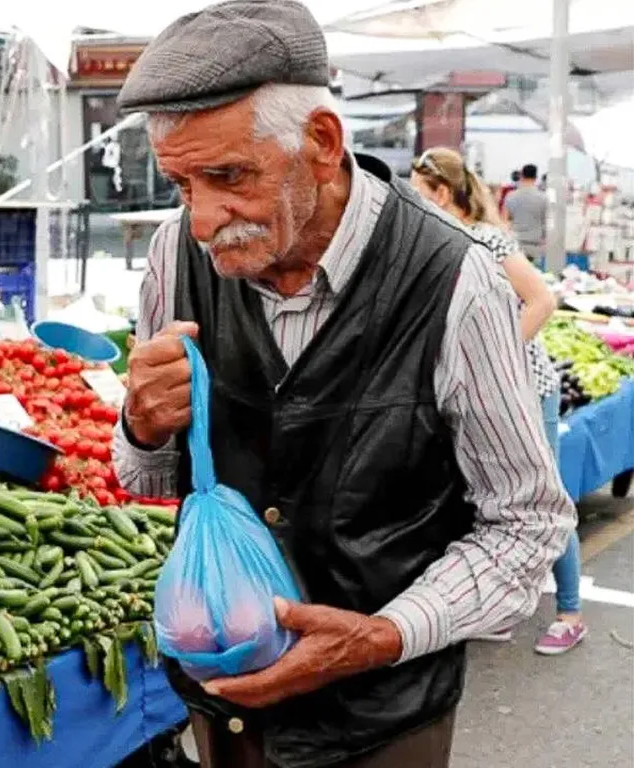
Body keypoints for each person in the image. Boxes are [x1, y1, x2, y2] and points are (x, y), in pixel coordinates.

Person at [112, 2, 574, 766]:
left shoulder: (454, 282)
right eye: (181, 184)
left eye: (228, 176)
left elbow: (526, 523)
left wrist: (381, 636)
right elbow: (149, 477)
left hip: (383, 721)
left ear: (322, 143)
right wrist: (142, 424)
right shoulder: (174, 257)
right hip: (223, 708)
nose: (201, 220)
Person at [410, 147, 585, 654]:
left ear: (443, 194)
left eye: (422, 197)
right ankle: (500, 606)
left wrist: (495, 359)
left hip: (529, 390)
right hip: (482, 396)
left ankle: (570, 612)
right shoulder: (441, 242)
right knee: (486, 496)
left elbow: (543, 300)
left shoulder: (484, 240)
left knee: (540, 498)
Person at [504, 163, 548, 265]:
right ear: (536, 177)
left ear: (522, 176)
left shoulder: (510, 196)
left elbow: (504, 221)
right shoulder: (544, 198)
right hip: (535, 246)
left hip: (515, 245)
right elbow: (547, 223)